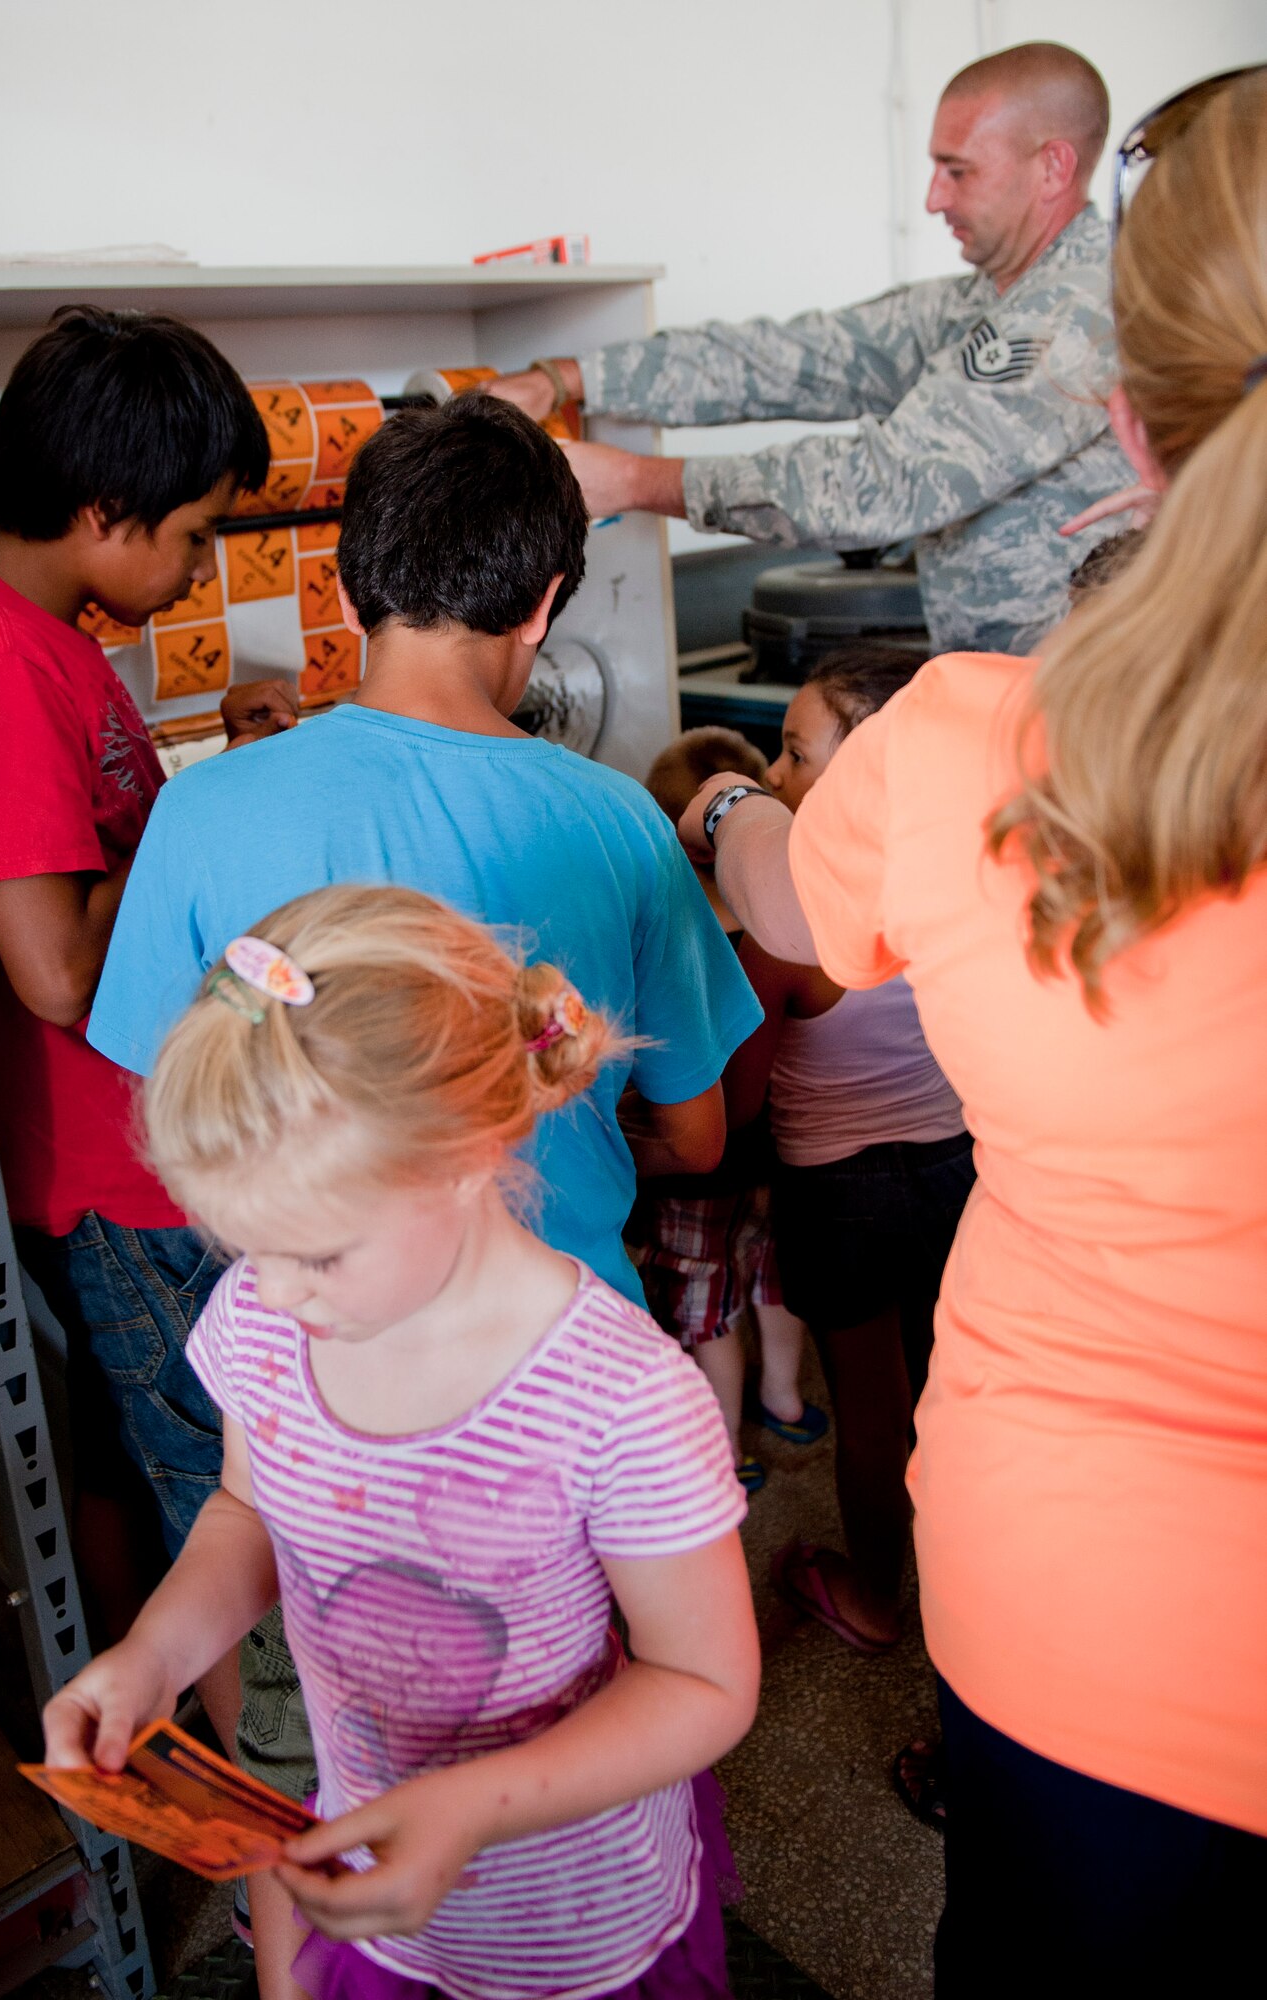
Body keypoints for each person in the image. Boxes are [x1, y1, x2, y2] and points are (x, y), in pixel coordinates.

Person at [678, 69, 1267, 1991]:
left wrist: (709, 805)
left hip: (1087, 1625)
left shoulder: (963, 747)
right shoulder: (964, 315)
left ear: (1122, 417)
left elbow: (789, 913)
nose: (936, 195)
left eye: (955, 161)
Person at [85, 391, 760, 1991]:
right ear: (543, 607)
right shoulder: (609, 817)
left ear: (340, 579)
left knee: (579, 1729)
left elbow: (696, 1680)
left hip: (541, 1417)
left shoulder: (205, 809)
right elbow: (700, 1133)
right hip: (540, 1325)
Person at [43, 884, 761, 2000]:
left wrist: (469, 1805)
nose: (271, 1290)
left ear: (466, 1156)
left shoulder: (617, 1394)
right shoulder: (265, 1315)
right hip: (363, 1868)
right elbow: (245, 1512)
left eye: (317, 1253)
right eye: (243, 1245)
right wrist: (156, 1655)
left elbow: (705, 1678)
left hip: (569, 1925)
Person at [0, 306, 295, 1699]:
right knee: (223, 1494)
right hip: (112, 1172)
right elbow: (57, 970)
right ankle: (269, 1783)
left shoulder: (41, 639)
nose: (198, 569)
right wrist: (189, 827)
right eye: (192, 535)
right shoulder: (0, 660)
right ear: (100, 508)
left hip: (141, 1148)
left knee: (216, 1473)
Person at [490, 42, 1131, 655]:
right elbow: (788, 360)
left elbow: (884, 484)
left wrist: (632, 481)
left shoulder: (1076, 313)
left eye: (958, 171)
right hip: (1007, 691)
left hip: (1089, 709)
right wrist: (567, 379)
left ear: (1053, 166)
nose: (934, 198)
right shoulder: (983, 301)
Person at [723, 647, 973, 1654]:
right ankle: (973, 1607)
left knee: (870, 1416)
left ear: (867, 760)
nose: (774, 778)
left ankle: (876, 1596)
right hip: (959, 1170)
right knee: (955, 1400)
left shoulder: (785, 930)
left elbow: (736, 1101)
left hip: (838, 1191)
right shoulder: (966, 884)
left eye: (791, 751)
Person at [632, 727, 822, 1491]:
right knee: (773, 1282)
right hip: (776, 1149)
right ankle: (784, 1397)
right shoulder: (781, 928)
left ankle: (725, 1445)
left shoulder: (671, 940)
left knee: (706, 1306)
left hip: (701, 1163)